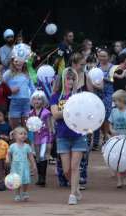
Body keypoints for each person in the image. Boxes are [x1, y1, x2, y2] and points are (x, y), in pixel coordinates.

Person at [50, 68, 88, 205]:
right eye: (68, 78)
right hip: (62, 136)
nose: (70, 81)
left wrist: (66, 112)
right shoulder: (55, 96)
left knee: (74, 167)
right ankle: (76, 188)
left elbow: (84, 113)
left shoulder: (79, 95)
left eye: (72, 79)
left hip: (78, 135)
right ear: (63, 80)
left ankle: (72, 194)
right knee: (66, 170)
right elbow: (55, 114)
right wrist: (71, 110)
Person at [108, 90, 126, 188]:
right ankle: (119, 180)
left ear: (122, 100)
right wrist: (112, 130)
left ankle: (124, 178)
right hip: (116, 139)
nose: (115, 103)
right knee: (117, 158)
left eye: (116, 101)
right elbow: (110, 124)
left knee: (125, 158)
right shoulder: (114, 111)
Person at [29, 90, 53, 187]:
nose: (36, 101)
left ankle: (43, 178)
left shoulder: (46, 113)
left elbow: (50, 127)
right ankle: (39, 176)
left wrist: (50, 140)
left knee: (43, 157)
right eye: (34, 99)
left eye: (39, 99)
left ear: (43, 101)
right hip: (35, 138)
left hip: (45, 138)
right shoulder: (30, 112)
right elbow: (29, 126)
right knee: (37, 157)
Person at [3, 58, 35, 129]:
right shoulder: (9, 73)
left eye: (20, 60)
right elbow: (0, 84)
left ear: (24, 61)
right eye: (16, 61)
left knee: (27, 127)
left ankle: (26, 140)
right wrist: (10, 90)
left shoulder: (26, 73)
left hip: (26, 103)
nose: (18, 63)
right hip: (14, 101)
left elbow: (33, 88)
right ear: (12, 62)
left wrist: (33, 98)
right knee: (15, 128)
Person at [6, 126, 36, 201]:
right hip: (15, 166)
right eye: (21, 133)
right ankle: (17, 194)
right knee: (16, 180)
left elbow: (30, 156)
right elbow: (8, 153)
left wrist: (33, 165)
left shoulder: (27, 146)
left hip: (25, 166)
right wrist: (7, 159)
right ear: (15, 136)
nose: (23, 135)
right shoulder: (12, 146)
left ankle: (25, 192)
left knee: (25, 180)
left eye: (25, 134)